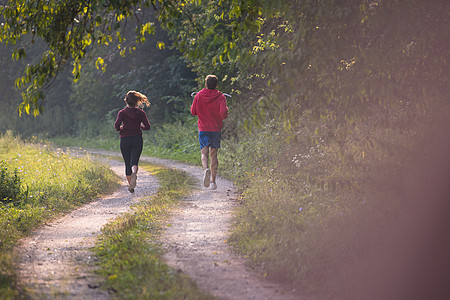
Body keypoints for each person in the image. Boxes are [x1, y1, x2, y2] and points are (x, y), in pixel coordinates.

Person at [191, 75, 228, 190]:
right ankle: (213, 182)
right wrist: (226, 110)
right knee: (214, 155)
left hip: (203, 128)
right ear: (216, 85)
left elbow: (193, 112)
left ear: (205, 84)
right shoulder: (221, 97)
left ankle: (205, 169)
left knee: (204, 153)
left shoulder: (198, 96)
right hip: (216, 129)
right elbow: (223, 114)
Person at [114, 91, 151, 193]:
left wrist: (121, 128)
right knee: (134, 162)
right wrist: (140, 126)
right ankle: (135, 172)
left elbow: (117, 126)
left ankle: (131, 185)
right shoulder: (141, 113)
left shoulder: (122, 113)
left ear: (126, 101)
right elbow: (147, 127)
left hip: (125, 139)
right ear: (137, 101)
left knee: (127, 163)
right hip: (137, 139)